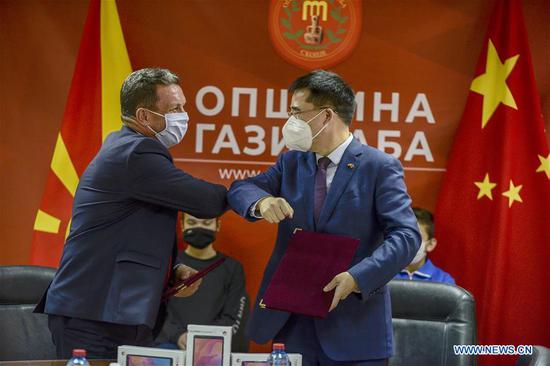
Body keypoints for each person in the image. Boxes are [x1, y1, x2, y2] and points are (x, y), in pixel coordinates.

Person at [228, 70, 420, 366]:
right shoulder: (291, 162)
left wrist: (359, 277)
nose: (290, 122)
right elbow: (242, 188)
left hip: (353, 326)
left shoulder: (379, 166)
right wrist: (261, 201)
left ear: (326, 115)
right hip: (292, 324)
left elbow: (406, 237)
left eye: (296, 113)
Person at [35, 68, 228, 359]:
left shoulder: (128, 147)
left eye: (183, 107)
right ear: (144, 116)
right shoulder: (136, 154)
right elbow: (207, 202)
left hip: (115, 315)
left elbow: (130, 233)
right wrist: (255, 197)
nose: (184, 115)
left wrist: (171, 272)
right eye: (175, 108)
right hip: (94, 317)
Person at [155, 213, 250, 352]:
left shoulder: (232, 268)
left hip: (213, 349)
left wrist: (205, 340)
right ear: (182, 225)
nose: (199, 227)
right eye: (192, 223)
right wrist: (178, 335)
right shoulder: (170, 263)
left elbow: (234, 314)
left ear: (217, 225)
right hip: (168, 345)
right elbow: (155, 309)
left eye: (206, 223)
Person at [394, 208, 455, 284]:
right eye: (404, 236)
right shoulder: (384, 275)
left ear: (430, 245)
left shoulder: (443, 281)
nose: (408, 243)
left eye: (417, 237)